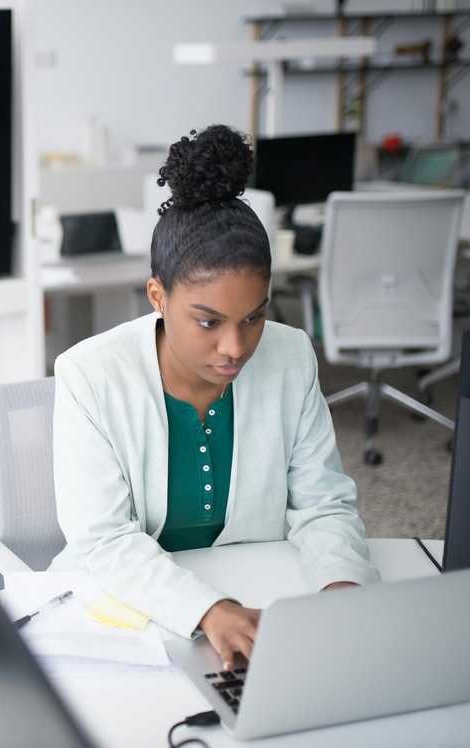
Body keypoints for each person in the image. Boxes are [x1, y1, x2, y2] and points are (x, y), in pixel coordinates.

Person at [49, 124, 380, 671]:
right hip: (131, 617)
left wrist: (340, 586)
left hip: (263, 599)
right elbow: (104, 541)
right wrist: (209, 610)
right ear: (158, 295)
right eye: (208, 322)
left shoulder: (290, 355)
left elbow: (322, 504)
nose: (235, 347)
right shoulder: (90, 374)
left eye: (254, 317)